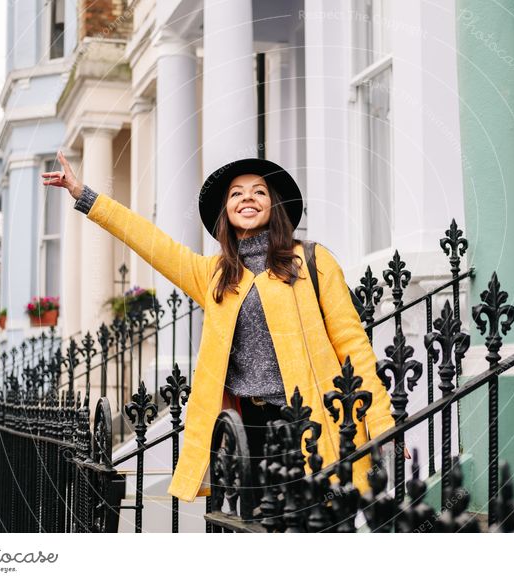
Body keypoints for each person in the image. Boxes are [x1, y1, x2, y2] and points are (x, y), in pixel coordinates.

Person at [42, 152, 407, 504]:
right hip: (244, 428)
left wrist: (383, 423)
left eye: (259, 191)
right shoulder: (214, 274)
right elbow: (151, 242)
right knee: (254, 526)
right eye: (236, 193)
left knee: (315, 519)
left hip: (310, 420)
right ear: (227, 211)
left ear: (274, 205)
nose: (247, 198)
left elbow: (352, 344)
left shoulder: (312, 261)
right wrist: (85, 196)